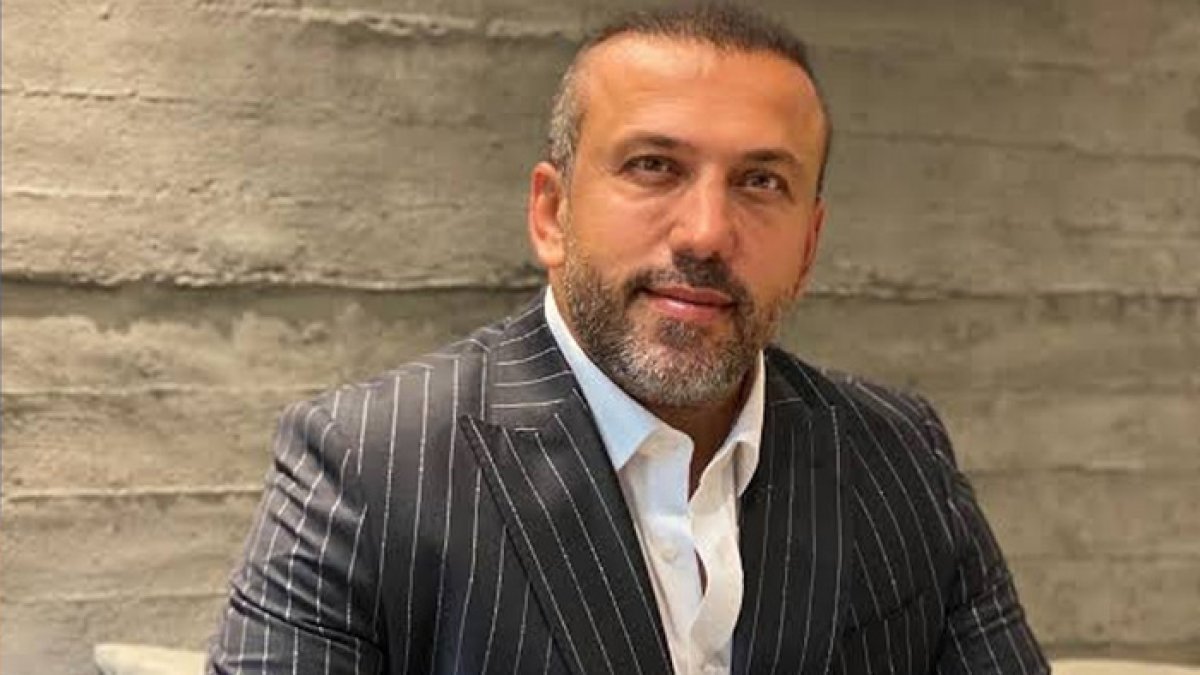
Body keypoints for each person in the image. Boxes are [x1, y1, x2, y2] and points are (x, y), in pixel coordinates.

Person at [209, 5, 1047, 674]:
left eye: (761, 181)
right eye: (654, 166)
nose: (706, 232)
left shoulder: (898, 455)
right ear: (552, 212)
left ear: (809, 244)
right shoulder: (369, 463)